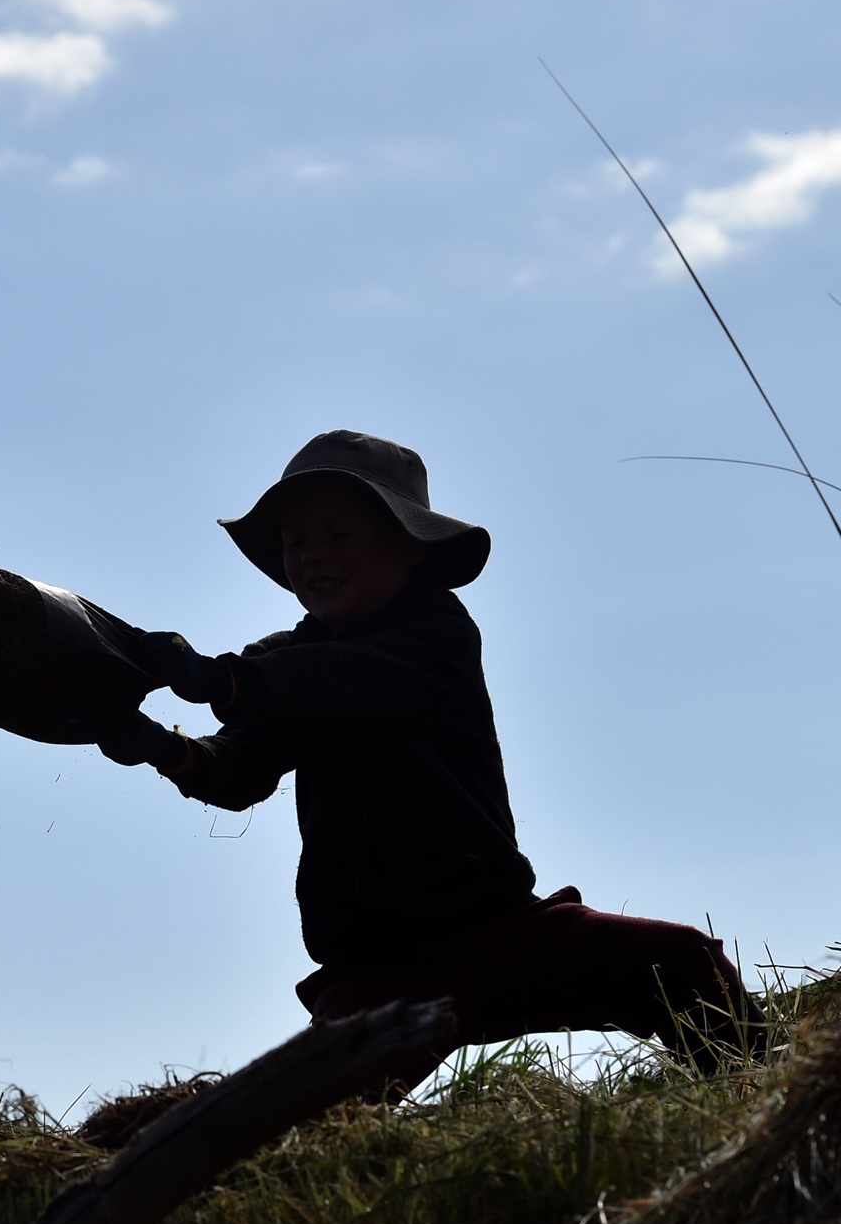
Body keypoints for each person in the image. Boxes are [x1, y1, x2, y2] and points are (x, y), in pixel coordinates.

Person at [96, 430, 754, 1084]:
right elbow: (238, 770)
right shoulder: (280, 662)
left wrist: (224, 681)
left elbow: (340, 677)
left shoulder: (434, 634)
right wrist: (163, 746)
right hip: (373, 969)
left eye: (338, 533)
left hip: (497, 934)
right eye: (296, 541)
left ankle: (763, 1087)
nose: (312, 554)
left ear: (408, 547)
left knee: (685, 965)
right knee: (308, 1111)